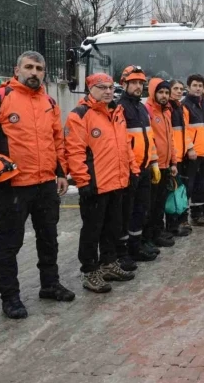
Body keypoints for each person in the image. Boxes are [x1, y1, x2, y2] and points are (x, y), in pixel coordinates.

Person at [0, 51, 74, 319]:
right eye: (29, 67)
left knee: (49, 239)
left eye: (39, 68)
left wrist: (61, 172)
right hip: (13, 185)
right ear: (17, 70)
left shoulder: (49, 101)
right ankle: (10, 297)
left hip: (46, 184)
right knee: (9, 243)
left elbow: (57, 141)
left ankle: (49, 284)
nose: (34, 72)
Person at [65, 73, 137, 293]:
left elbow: (124, 145)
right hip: (95, 185)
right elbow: (74, 151)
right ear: (90, 89)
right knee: (92, 231)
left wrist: (132, 170)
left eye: (110, 87)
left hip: (117, 181)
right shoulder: (80, 115)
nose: (107, 91)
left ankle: (108, 263)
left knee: (112, 228)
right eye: (101, 87)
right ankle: (90, 271)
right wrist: (83, 182)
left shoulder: (117, 112)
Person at [117, 65, 161, 264]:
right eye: (133, 82)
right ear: (124, 83)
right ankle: (123, 252)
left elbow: (149, 139)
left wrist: (153, 162)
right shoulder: (120, 108)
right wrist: (131, 167)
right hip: (129, 170)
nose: (137, 86)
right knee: (125, 213)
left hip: (143, 169)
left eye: (140, 83)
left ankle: (136, 246)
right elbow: (121, 143)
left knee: (140, 210)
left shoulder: (142, 108)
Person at [145, 78, 180, 245]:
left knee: (160, 202)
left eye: (166, 92)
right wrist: (153, 163)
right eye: (161, 92)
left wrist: (174, 162)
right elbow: (149, 140)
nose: (164, 95)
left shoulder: (167, 112)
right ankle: (150, 235)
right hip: (154, 166)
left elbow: (170, 139)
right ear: (153, 92)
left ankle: (158, 231)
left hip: (166, 165)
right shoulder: (148, 111)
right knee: (150, 204)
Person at [182, 75, 204, 226]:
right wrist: (190, 148)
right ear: (188, 87)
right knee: (189, 186)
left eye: (200, 85)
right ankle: (182, 218)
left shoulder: (203, 104)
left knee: (201, 184)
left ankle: (198, 214)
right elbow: (185, 130)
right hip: (193, 153)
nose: (198, 88)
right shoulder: (186, 105)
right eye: (195, 85)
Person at [167, 80, 192, 237]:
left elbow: (185, 131)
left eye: (181, 89)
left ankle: (181, 220)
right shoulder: (168, 109)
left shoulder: (180, 107)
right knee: (172, 191)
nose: (178, 91)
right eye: (175, 88)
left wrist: (189, 148)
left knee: (181, 190)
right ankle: (172, 223)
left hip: (182, 155)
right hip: (173, 157)